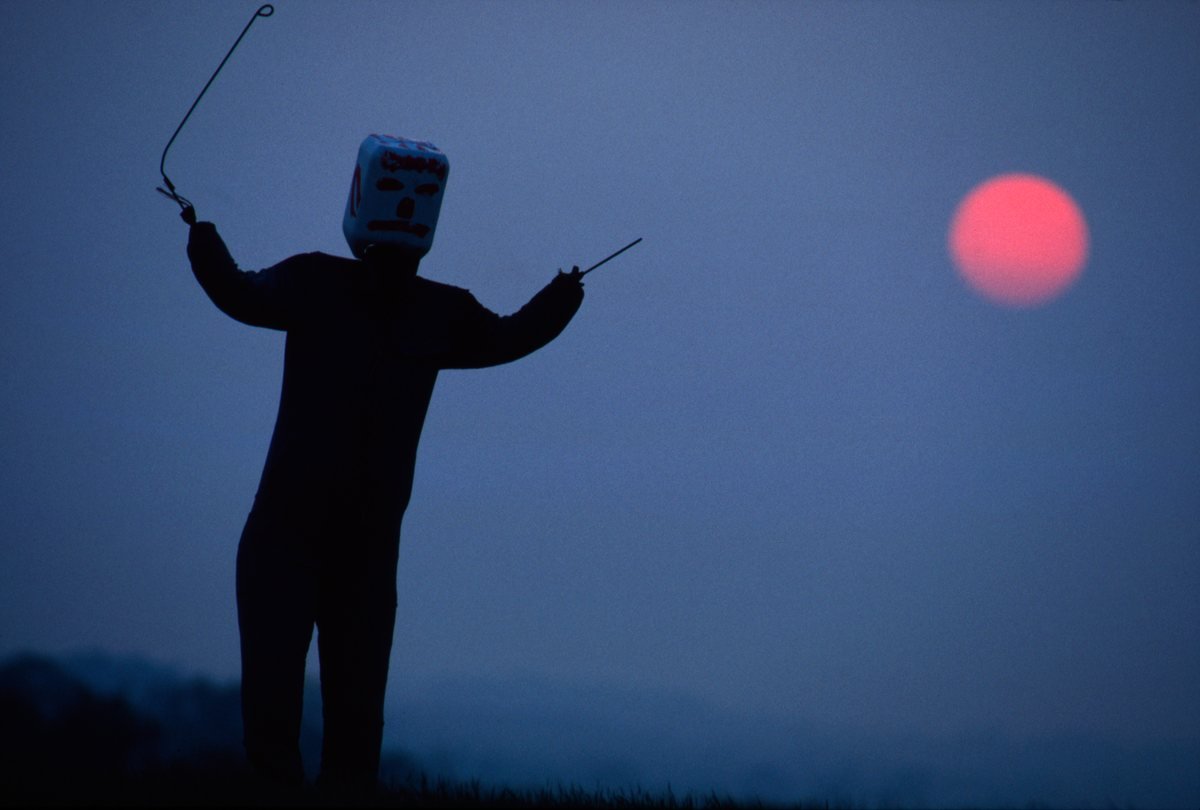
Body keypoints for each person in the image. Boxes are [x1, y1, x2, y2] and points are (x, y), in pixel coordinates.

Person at [177, 134, 584, 793]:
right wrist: (564, 294)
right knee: (350, 716)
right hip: (345, 545)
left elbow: (236, 292)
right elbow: (513, 336)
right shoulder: (438, 310)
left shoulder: (320, 282)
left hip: (305, 537)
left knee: (295, 712)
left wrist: (201, 233)